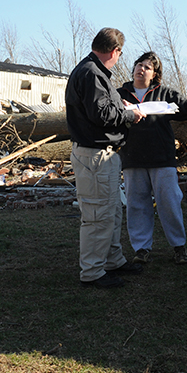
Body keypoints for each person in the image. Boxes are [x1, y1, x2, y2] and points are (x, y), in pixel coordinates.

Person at [118, 52, 187, 265]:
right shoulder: (119, 94)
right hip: (132, 158)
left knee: (169, 203)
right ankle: (141, 249)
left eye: (147, 67)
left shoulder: (165, 94)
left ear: (155, 74)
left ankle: (179, 247)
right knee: (136, 204)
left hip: (162, 159)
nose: (141, 69)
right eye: (139, 64)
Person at [65, 27, 147, 289]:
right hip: (94, 155)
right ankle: (91, 271)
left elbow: (102, 108)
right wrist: (129, 116)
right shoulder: (91, 73)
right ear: (115, 51)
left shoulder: (94, 72)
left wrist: (120, 107)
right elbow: (101, 116)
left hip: (103, 155)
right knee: (97, 214)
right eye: (120, 54)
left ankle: (112, 260)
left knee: (110, 211)